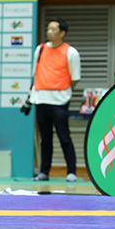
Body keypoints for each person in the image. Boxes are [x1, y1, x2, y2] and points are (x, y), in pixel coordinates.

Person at [29, 19, 81, 182]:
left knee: (64, 137)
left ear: (62, 33)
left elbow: (75, 78)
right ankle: (44, 172)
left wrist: (62, 90)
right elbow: (35, 74)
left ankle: (71, 171)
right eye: (48, 29)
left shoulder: (71, 52)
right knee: (45, 139)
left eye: (53, 29)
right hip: (41, 99)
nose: (49, 32)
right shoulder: (40, 49)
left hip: (59, 100)